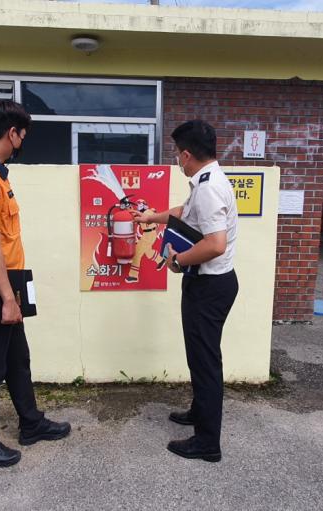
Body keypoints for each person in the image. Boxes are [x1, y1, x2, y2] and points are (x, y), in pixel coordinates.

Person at [0, 100, 70, 468]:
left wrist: (12, 294)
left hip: (5, 288)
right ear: (12, 133)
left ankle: (31, 423)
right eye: (23, 134)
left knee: (18, 360)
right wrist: (7, 298)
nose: (23, 141)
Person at [133, 120, 238, 463]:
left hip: (209, 286)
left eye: (178, 153)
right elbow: (185, 213)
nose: (177, 159)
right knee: (199, 356)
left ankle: (207, 442)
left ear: (188, 154)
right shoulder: (207, 180)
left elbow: (215, 244)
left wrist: (178, 260)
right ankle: (199, 411)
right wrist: (152, 217)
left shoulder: (208, 188)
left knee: (205, 361)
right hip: (209, 284)